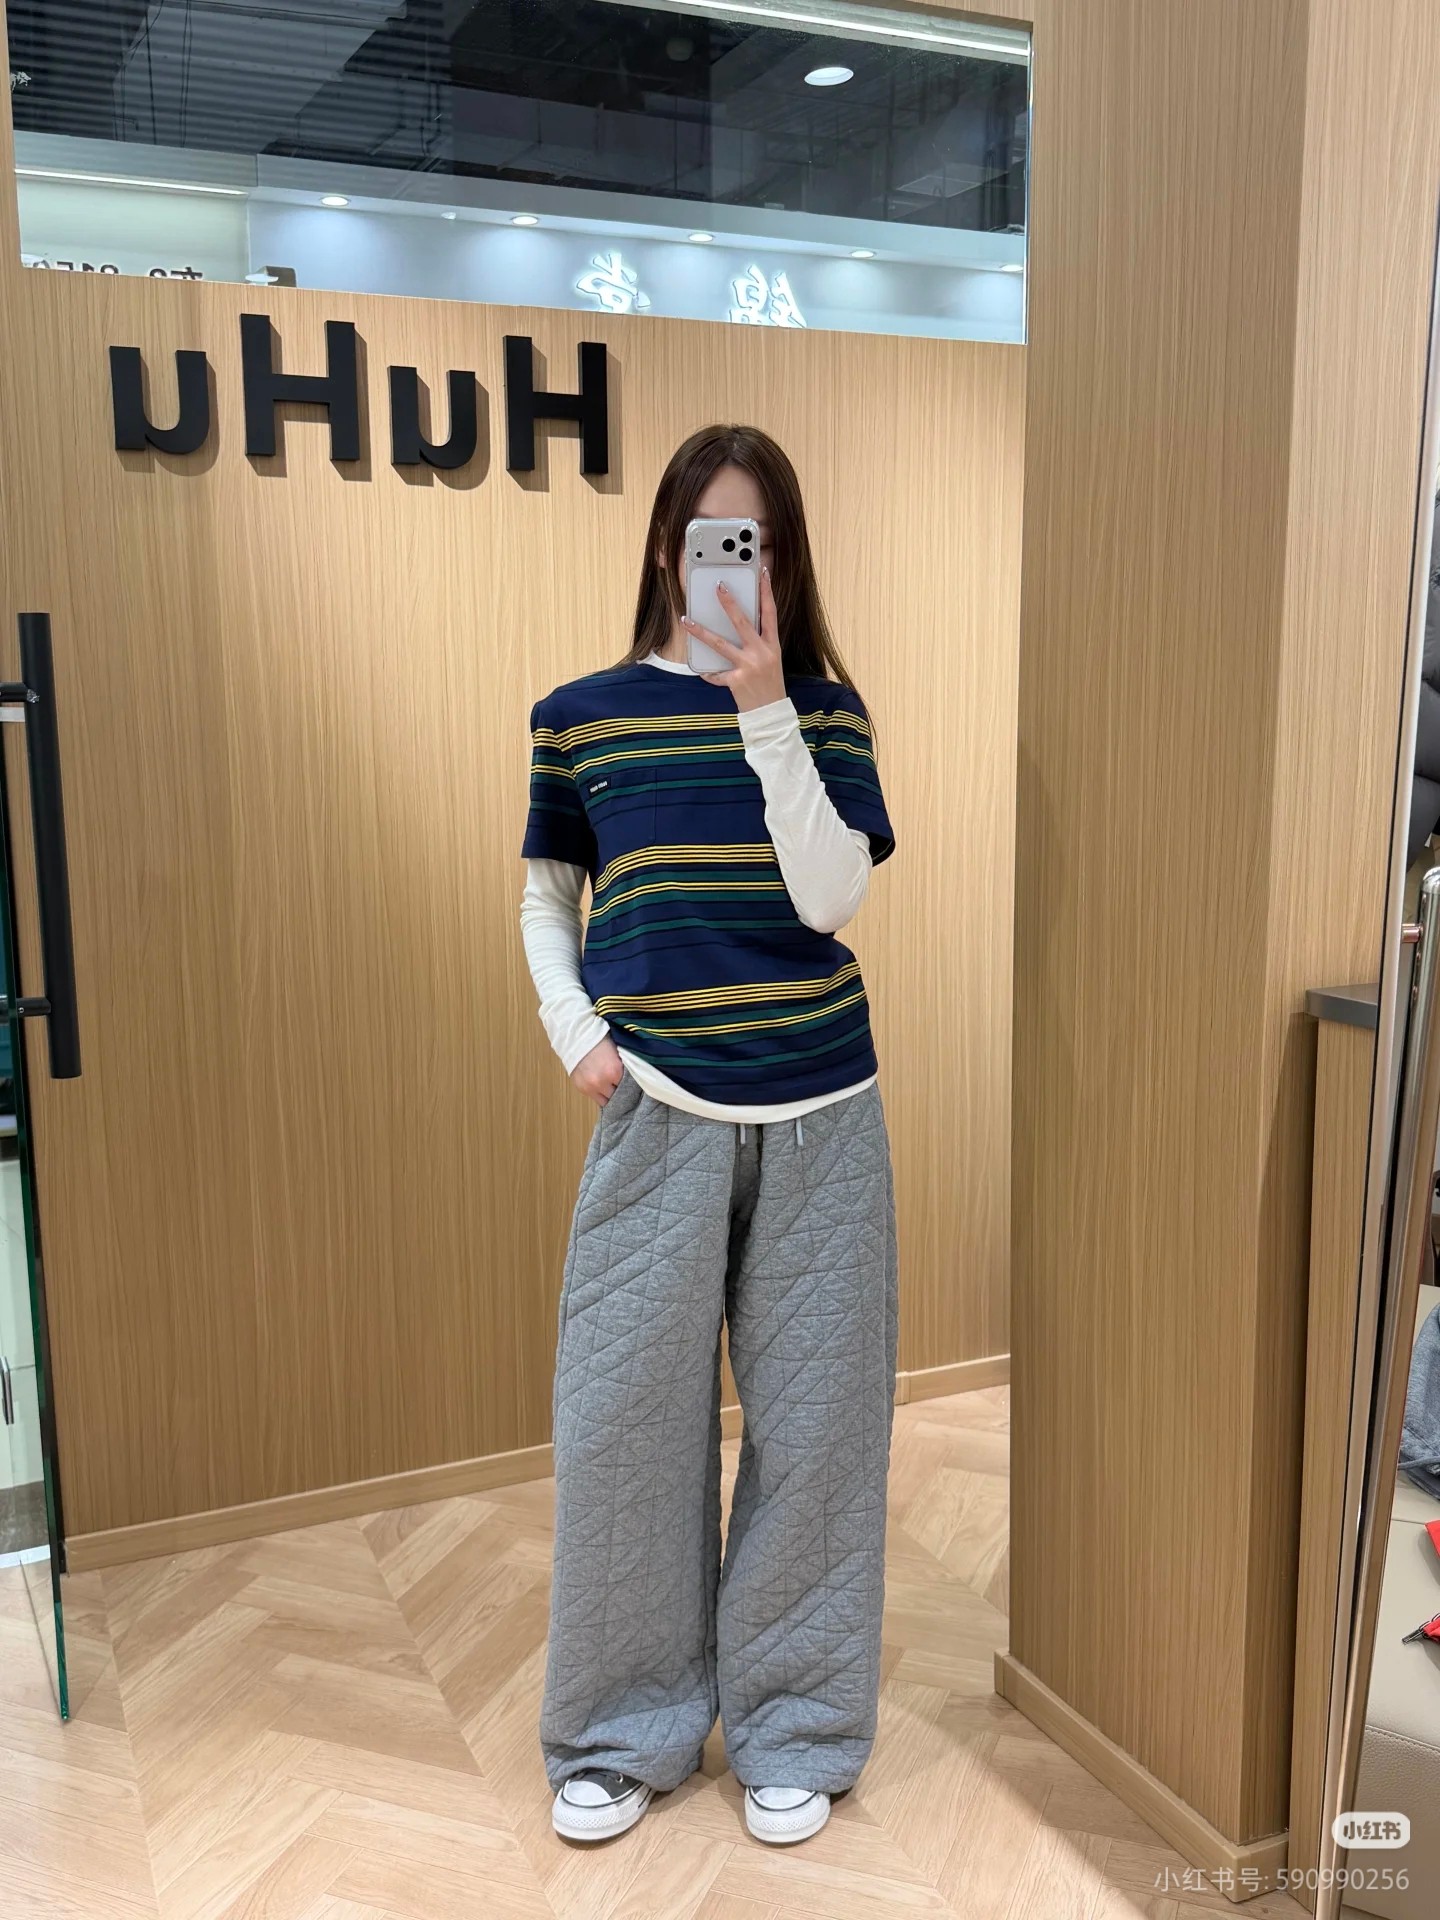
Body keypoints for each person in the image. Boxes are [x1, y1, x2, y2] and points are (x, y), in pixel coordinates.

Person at [519, 424, 898, 1849]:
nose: (734, 566)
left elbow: (829, 900)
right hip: (657, 1112)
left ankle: (796, 1727)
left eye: (760, 543)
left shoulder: (829, 716)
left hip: (825, 1116)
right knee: (623, 1427)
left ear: (786, 563)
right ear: (667, 553)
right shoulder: (582, 716)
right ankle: (624, 1731)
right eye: (710, 540)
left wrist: (766, 710)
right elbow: (548, 898)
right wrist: (577, 1033)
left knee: (819, 1433)